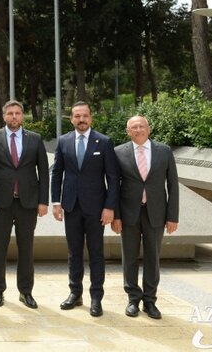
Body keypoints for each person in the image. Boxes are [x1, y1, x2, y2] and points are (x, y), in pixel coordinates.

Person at [51, 101, 119, 317]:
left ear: (91, 118)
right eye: (77, 116)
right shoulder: (63, 141)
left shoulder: (104, 142)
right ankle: (75, 293)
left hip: (97, 209)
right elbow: (57, 173)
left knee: (96, 253)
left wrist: (110, 207)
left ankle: (96, 298)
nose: (81, 120)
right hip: (71, 206)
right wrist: (56, 202)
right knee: (74, 252)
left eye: (85, 116)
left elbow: (113, 178)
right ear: (71, 119)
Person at [0, 100, 49, 310]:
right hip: (0, 203)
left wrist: (43, 201)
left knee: (26, 249)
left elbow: (44, 172)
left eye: (17, 113)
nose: (14, 117)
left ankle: (26, 292)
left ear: (23, 116)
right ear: (4, 116)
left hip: (28, 203)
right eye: (10, 113)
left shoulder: (35, 139)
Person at [112, 115, 179, 320]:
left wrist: (172, 216)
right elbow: (114, 187)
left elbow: (173, 185)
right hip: (128, 213)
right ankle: (133, 298)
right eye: (133, 127)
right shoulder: (118, 152)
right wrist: (116, 216)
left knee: (152, 257)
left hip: (156, 213)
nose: (138, 130)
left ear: (148, 129)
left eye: (141, 126)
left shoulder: (164, 151)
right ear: (128, 131)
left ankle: (150, 301)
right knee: (129, 257)